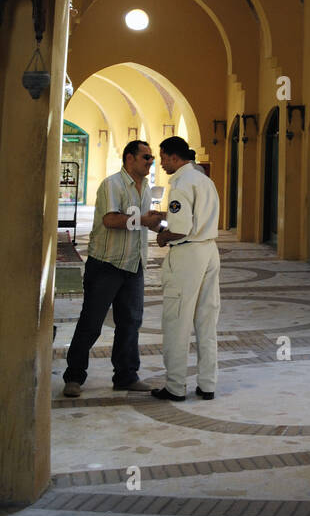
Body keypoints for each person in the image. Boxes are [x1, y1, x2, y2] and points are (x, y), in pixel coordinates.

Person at [62, 139, 164, 397]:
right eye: (146, 157)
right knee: (92, 322)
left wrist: (159, 226)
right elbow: (110, 219)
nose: (150, 161)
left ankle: (126, 375)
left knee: (130, 322)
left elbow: (141, 223)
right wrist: (142, 219)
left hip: (134, 265)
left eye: (151, 157)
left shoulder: (147, 188)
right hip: (107, 264)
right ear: (129, 158)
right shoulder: (113, 184)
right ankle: (74, 376)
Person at [151, 134, 221, 402]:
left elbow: (180, 229)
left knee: (177, 321)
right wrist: (166, 216)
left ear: (173, 157)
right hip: (209, 251)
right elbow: (196, 216)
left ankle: (175, 385)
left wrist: (162, 234)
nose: (161, 164)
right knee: (206, 320)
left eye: (162, 158)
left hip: (188, 256)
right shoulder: (205, 180)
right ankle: (207, 383)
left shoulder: (180, 182)